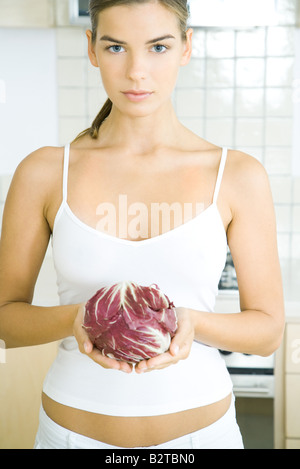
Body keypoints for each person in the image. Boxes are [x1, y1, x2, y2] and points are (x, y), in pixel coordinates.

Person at [0, 0, 285, 450]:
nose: (137, 72)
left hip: (202, 439)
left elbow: (268, 331)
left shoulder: (236, 175)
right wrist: (79, 319)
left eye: (158, 47)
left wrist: (188, 321)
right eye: (116, 47)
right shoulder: (44, 172)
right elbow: (6, 319)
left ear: (186, 47)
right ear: (91, 48)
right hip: (71, 438)